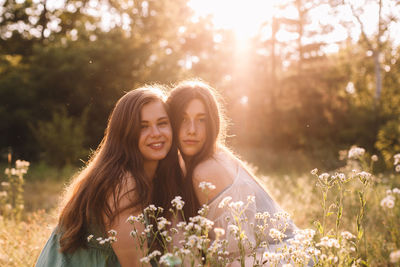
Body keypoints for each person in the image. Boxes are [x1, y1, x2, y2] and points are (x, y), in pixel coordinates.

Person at [36, 86, 185, 267]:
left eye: (162, 123)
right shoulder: (122, 182)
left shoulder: (162, 177)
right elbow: (137, 265)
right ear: (125, 133)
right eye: (143, 126)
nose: (155, 133)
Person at [167, 80, 299, 266]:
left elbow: (234, 253)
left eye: (201, 120)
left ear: (212, 123)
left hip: (280, 259)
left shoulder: (205, 171)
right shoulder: (216, 154)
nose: (192, 130)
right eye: (183, 119)